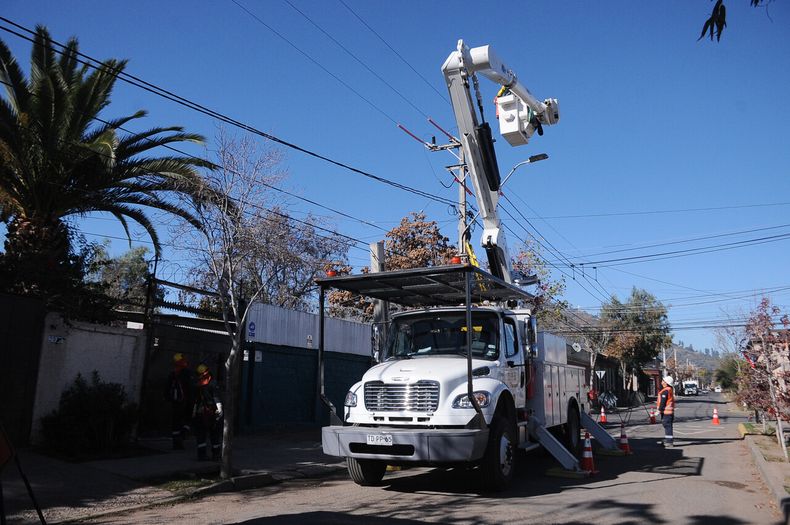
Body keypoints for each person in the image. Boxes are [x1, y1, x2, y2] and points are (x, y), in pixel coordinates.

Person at [193, 364, 223, 461]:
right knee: (214, 433)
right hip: (211, 412)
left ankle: (201, 455)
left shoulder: (198, 384)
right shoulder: (212, 383)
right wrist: (220, 408)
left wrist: (194, 411)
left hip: (200, 411)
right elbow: (216, 397)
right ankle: (216, 455)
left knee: (201, 434)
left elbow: (196, 400)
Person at [164, 353, 193, 450]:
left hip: (176, 401)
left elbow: (167, 387)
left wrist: (168, 398)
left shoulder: (173, 373)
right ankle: (183, 435)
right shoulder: (186, 373)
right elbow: (190, 387)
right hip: (186, 401)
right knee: (186, 419)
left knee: (176, 422)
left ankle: (176, 442)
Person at [657, 375, 675, 448]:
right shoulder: (669, 389)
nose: (661, 382)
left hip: (666, 412)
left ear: (666, 382)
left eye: (663, 381)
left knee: (667, 426)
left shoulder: (665, 391)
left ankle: (669, 442)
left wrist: (659, 410)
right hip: (669, 412)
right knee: (668, 426)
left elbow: (663, 402)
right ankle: (668, 439)